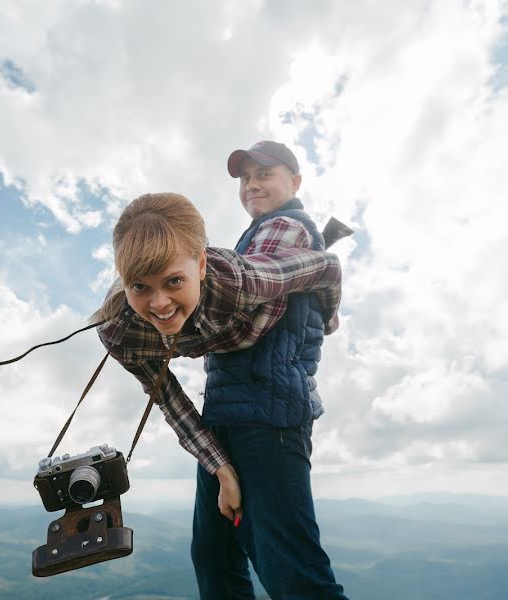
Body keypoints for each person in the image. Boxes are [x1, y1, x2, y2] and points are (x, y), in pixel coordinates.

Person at [92, 189, 348, 599]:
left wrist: (325, 318)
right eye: (139, 287)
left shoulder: (243, 280)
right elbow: (171, 402)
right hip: (225, 405)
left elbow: (328, 268)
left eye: (174, 281)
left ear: (202, 264)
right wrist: (220, 468)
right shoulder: (122, 331)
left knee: (289, 572)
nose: (159, 303)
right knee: (212, 558)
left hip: (272, 384)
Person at [188, 141, 349, 599]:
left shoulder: (285, 226)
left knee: (293, 574)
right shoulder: (261, 234)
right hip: (232, 417)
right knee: (215, 558)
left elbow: (243, 311)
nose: (251, 185)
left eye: (265, 174)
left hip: (265, 421)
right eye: (245, 178)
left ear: (295, 183)